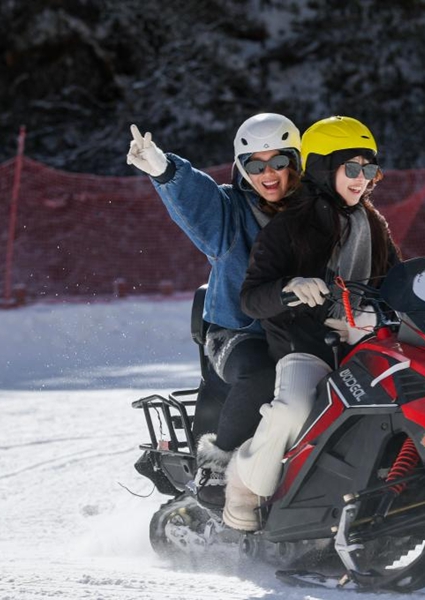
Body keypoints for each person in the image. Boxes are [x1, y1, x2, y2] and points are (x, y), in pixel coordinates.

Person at [230, 116, 400, 531]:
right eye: (352, 169)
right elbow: (252, 298)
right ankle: (242, 488)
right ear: (325, 168)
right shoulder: (290, 225)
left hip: (361, 340)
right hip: (302, 340)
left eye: (370, 169)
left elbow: (398, 277)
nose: (363, 180)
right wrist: (291, 286)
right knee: (294, 411)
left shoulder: (371, 223)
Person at [126, 114, 302, 508]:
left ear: (296, 162)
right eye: (255, 165)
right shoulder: (231, 213)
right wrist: (164, 168)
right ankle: (216, 465)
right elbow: (197, 199)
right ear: (242, 168)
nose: (268, 174)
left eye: (278, 162)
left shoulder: (310, 212)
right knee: (263, 373)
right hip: (237, 334)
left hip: (297, 332)